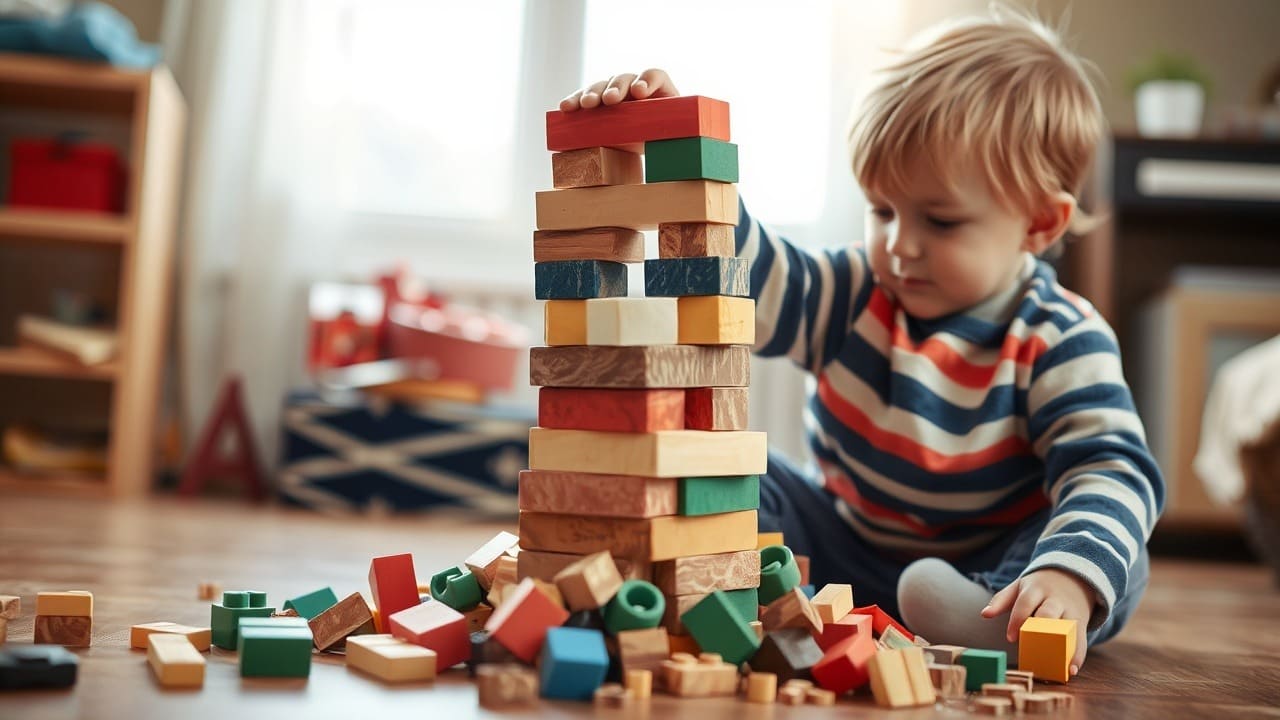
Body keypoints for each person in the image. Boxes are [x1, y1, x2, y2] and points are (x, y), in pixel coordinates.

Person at [560, 7, 1163, 675]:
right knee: (726, 468)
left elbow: (1108, 466)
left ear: (1039, 225)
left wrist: (1068, 575)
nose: (900, 245)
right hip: (844, 547)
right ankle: (742, 596)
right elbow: (752, 276)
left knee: (1107, 550)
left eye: (940, 220)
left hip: (993, 570)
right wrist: (676, 153)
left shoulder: (1059, 337)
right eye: (882, 210)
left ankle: (1004, 621)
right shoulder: (854, 291)